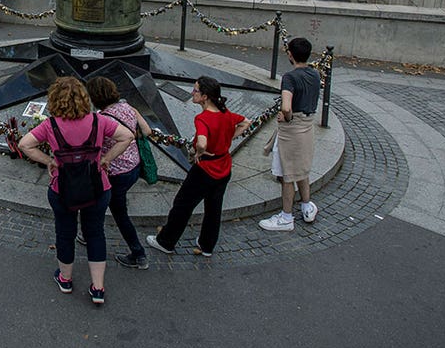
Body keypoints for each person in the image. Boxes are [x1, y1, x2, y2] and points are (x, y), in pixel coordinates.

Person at [17, 77, 133, 306]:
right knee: (95, 234)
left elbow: (24, 144)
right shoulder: (99, 121)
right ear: (83, 98)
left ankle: (66, 279)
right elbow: (127, 136)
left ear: (54, 100)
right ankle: (98, 288)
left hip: (63, 189)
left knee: (65, 233)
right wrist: (106, 159)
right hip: (97, 187)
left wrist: (50, 161)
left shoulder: (50, 125)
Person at [146, 77, 249, 257]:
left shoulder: (202, 118)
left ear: (205, 97)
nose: (193, 93)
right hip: (223, 166)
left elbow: (201, 142)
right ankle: (207, 245)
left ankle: (166, 241)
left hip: (204, 170)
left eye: (196, 91)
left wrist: (200, 151)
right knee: (214, 208)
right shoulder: (226, 114)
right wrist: (229, 138)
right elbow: (246, 122)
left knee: (182, 205)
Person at [84, 76, 152, 270]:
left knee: (119, 213)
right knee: (99, 201)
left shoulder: (101, 119)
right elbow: (146, 131)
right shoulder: (129, 107)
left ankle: (138, 254)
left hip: (114, 173)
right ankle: (88, 232)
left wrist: (107, 155)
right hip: (134, 167)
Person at [259, 37, 322, 232]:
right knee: (302, 169)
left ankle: (286, 217)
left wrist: (286, 117)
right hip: (307, 127)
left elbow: (286, 107)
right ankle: (306, 205)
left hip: (292, 130)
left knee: (287, 174)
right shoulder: (315, 74)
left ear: (290, 55)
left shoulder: (289, 77)